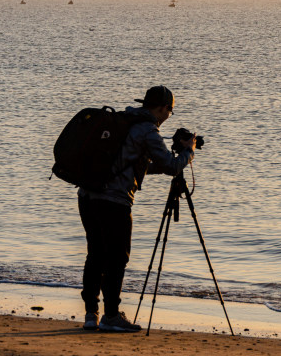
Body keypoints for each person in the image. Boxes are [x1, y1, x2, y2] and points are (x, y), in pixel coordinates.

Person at [77, 86, 195, 332]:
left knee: (95, 253)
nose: (168, 116)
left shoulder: (124, 119)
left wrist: (160, 164)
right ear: (163, 108)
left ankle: (91, 314)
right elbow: (172, 166)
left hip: (87, 195)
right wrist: (188, 152)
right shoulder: (148, 130)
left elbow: (130, 165)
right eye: (169, 111)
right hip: (114, 202)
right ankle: (111, 316)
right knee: (117, 258)